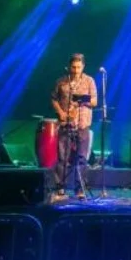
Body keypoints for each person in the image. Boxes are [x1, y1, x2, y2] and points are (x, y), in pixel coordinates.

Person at [51, 53, 97, 199]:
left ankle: (80, 189)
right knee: (62, 157)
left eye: (78, 67)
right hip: (66, 124)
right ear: (69, 67)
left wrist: (81, 101)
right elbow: (53, 99)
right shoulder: (61, 82)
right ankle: (60, 188)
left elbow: (95, 101)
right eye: (73, 67)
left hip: (82, 124)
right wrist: (60, 112)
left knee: (82, 158)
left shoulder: (89, 81)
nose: (76, 70)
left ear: (83, 67)